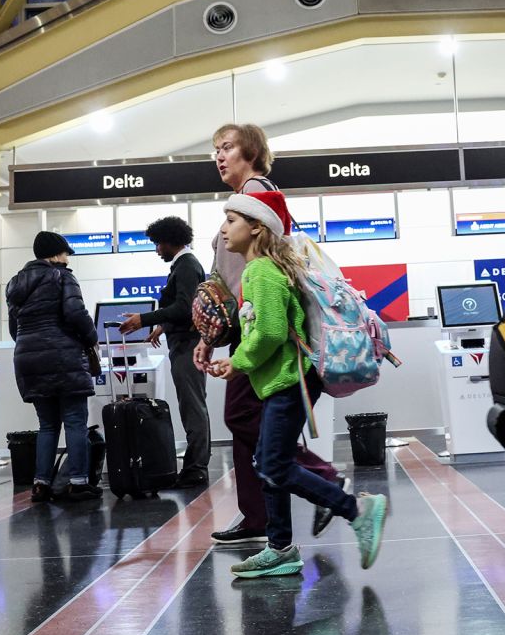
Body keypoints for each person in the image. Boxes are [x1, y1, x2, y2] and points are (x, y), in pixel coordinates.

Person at [203, 189, 387, 578]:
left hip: (290, 383)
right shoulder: (266, 269)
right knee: (268, 463)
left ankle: (356, 511)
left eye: (231, 220)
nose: (223, 230)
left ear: (256, 228)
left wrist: (236, 363)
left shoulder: (261, 272)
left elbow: (269, 333)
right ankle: (280, 547)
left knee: (273, 465)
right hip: (282, 383)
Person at [193, 123, 347, 546]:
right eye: (215, 149)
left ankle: (323, 481)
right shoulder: (243, 198)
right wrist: (209, 332)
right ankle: (259, 515)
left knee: (244, 418)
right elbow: (223, 275)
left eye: (227, 147)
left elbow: (257, 268)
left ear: (252, 152)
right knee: (245, 420)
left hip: (259, 327)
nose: (219, 156)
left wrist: (233, 337)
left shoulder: (258, 193)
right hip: (245, 325)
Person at [7, 231, 101, 503]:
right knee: (74, 420)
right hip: (63, 355)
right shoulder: (62, 276)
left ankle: (41, 484)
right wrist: (91, 338)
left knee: (47, 424)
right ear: (56, 254)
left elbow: (15, 328)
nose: (67, 258)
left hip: (27, 357)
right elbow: (75, 313)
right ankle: (78, 482)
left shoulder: (15, 283)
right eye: (65, 253)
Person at [120, 216, 211, 488]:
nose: (157, 249)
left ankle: (196, 468)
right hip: (184, 342)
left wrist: (144, 319)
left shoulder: (185, 266)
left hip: (187, 346)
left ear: (171, 240)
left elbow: (184, 307)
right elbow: (186, 308)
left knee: (193, 406)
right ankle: (196, 464)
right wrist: (162, 326)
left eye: (158, 244)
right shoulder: (184, 265)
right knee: (193, 404)